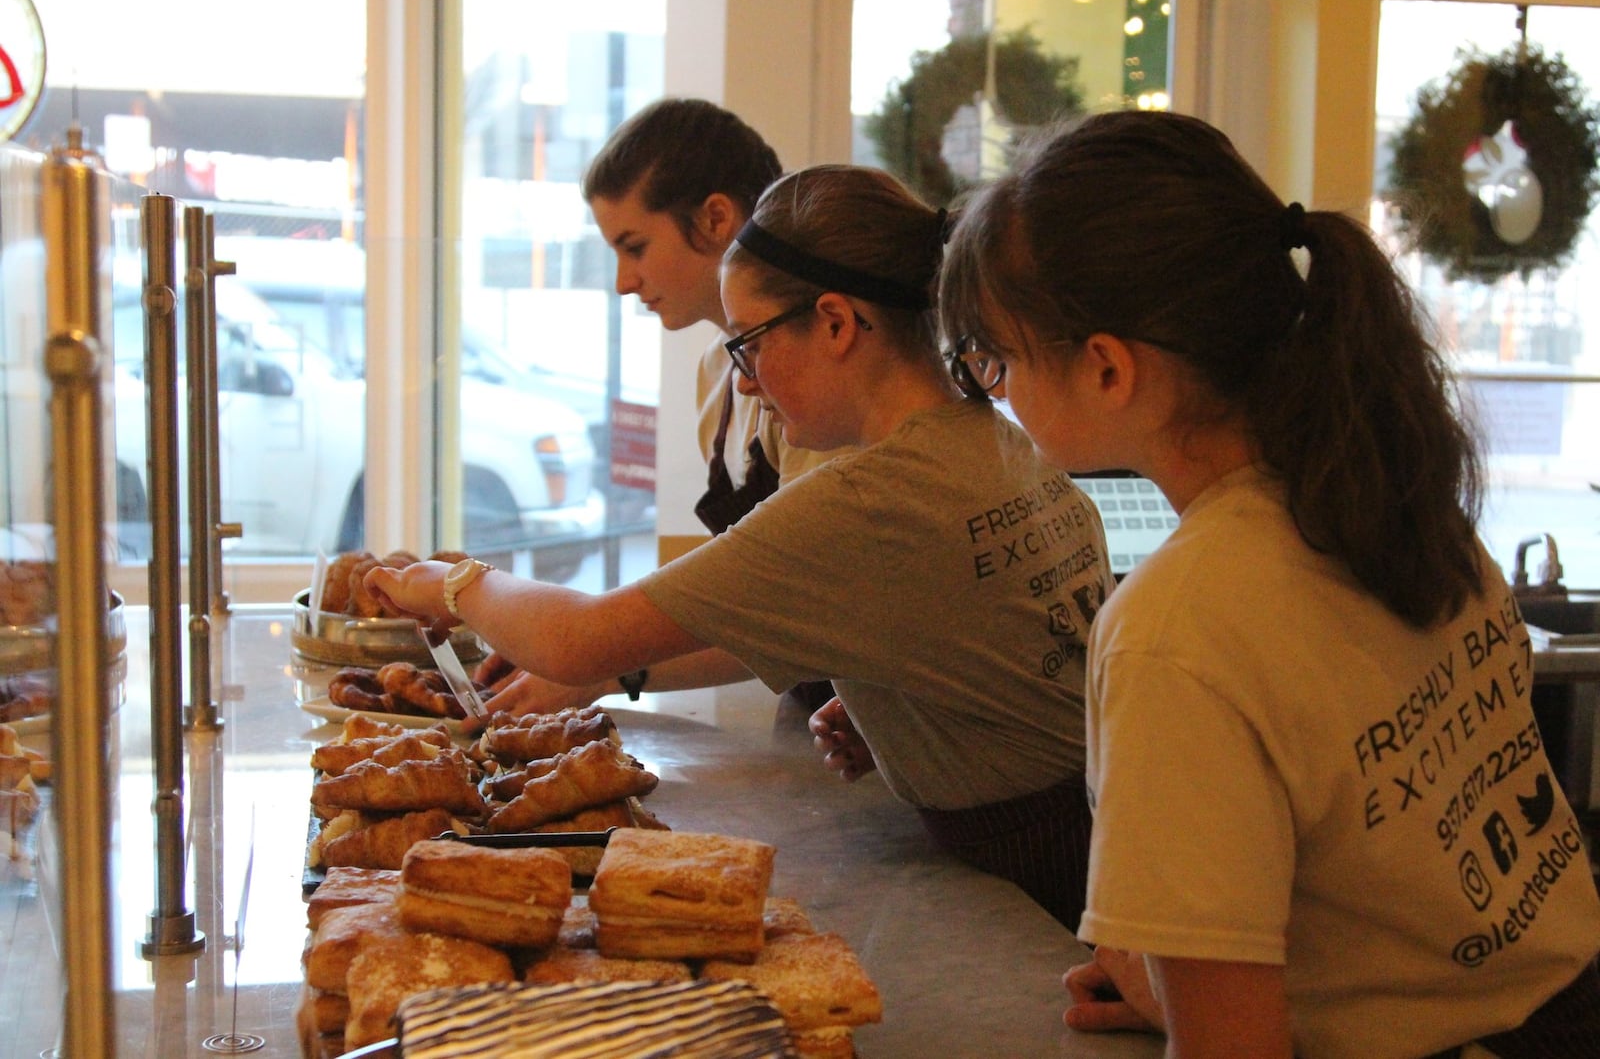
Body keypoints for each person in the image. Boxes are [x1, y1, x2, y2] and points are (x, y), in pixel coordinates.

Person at [937, 109, 1600, 1057]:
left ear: (1108, 368)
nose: (993, 391)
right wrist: (1193, 984)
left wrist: (1211, 1010)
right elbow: (1396, 891)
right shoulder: (1389, 494)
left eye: (994, 359)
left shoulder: (1177, 629)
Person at [367, 163, 1116, 929]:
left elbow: (574, 638)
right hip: (1091, 819)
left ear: (834, 322)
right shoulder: (993, 441)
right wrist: (910, 705)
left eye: (749, 344)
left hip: (1050, 873)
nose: (748, 383)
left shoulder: (868, 496)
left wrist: (451, 582)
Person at [479, 97, 838, 715]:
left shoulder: (818, 387)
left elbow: (810, 615)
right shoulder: (714, 375)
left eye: (635, 246)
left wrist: (603, 663)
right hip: (813, 723)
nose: (622, 281)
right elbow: (736, 604)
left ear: (716, 218)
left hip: (871, 733)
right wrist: (585, 651)